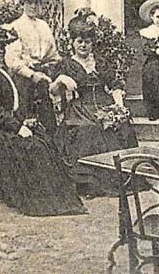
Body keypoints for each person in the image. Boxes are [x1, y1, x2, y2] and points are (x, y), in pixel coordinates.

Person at [0, 25, 86, 216]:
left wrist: (24, 122)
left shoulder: (3, 71)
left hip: (5, 125)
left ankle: (55, 196)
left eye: (2, 47)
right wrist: (18, 127)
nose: (0, 51)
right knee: (35, 148)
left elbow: (10, 106)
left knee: (45, 140)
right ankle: (41, 199)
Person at [51, 13, 139, 196]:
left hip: (104, 104)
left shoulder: (100, 62)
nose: (83, 45)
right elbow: (52, 90)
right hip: (79, 108)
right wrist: (61, 79)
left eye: (87, 42)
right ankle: (89, 183)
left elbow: (114, 85)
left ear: (92, 43)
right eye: (79, 41)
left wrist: (119, 106)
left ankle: (121, 178)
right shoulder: (66, 64)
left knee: (120, 125)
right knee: (89, 130)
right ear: (73, 43)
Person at [4, 0, 61, 107]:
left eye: (37, 2)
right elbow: (13, 61)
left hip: (45, 78)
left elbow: (53, 55)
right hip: (24, 81)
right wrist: (32, 74)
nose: (33, 6)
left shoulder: (44, 26)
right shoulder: (14, 27)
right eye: (29, 2)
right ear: (23, 3)